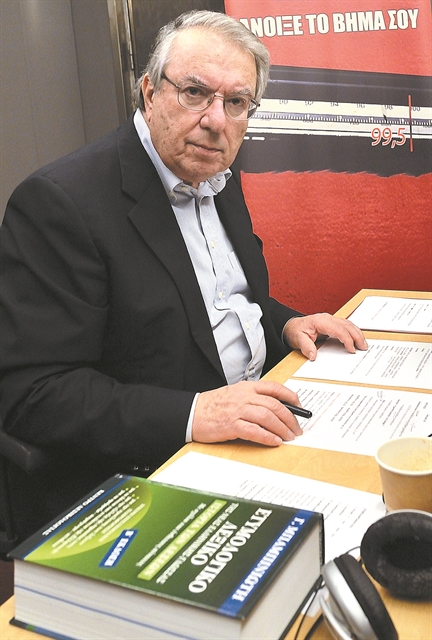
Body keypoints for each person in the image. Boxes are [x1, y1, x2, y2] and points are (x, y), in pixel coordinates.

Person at [0, 10, 367, 538]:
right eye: (195, 93)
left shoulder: (214, 171)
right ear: (150, 92)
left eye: (236, 102)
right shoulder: (60, 204)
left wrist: (284, 323)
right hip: (152, 472)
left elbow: (217, 300)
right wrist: (195, 414)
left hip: (261, 428)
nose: (217, 121)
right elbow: (34, 393)